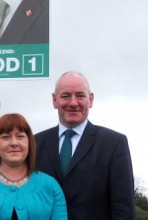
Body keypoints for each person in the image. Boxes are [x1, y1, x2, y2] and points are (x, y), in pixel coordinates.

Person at [35, 71, 136, 220]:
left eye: (80, 95)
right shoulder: (34, 144)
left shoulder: (114, 144)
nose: (73, 102)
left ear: (91, 99)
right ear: (54, 100)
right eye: (66, 96)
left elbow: (123, 207)